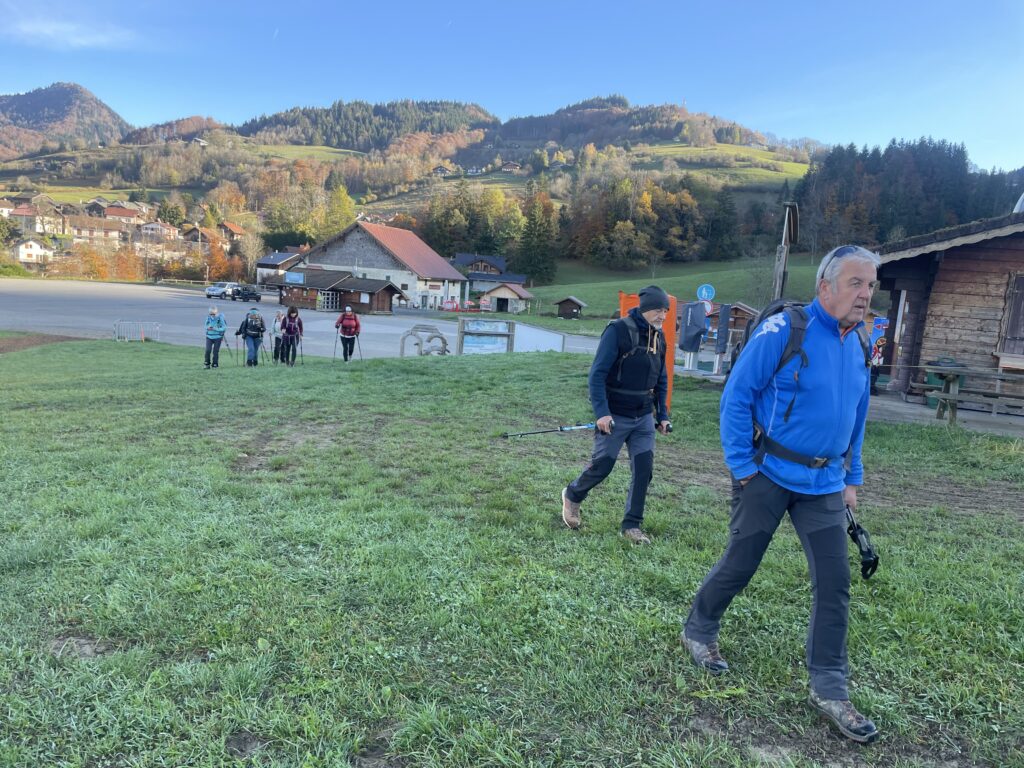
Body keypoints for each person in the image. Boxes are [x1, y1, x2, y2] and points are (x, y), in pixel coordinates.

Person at [681, 244, 881, 744]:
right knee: (741, 561)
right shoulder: (782, 330)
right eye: (856, 283)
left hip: (825, 484)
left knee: (834, 582)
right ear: (825, 287)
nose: (865, 294)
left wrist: (851, 477)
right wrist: (743, 468)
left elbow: (857, 415)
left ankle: (830, 688)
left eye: (871, 285)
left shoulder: (861, 342)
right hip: (767, 473)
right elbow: (737, 396)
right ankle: (699, 630)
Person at [560, 285, 673, 545]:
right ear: (645, 309)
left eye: (666, 311)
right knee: (603, 466)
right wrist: (602, 412)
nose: (663, 316)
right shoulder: (618, 330)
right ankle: (573, 495)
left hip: (643, 416)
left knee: (644, 470)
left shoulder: (659, 337)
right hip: (615, 414)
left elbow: (661, 377)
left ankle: (632, 525)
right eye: (658, 310)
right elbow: (597, 374)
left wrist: (663, 415)